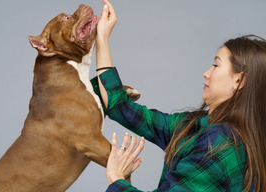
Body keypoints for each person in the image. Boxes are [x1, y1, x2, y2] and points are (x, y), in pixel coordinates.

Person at [91, 0, 266, 191]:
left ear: (239, 80)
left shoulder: (219, 146)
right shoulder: (195, 126)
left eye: (216, 65)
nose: (206, 73)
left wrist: (116, 179)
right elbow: (121, 107)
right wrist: (102, 39)